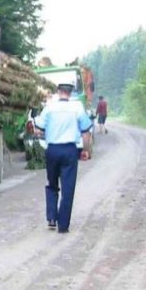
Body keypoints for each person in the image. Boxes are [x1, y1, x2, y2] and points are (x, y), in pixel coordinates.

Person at [34, 83, 92, 234]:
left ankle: (52, 218)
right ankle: (63, 225)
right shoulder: (78, 108)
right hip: (70, 150)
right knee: (68, 188)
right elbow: (86, 132)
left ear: (58, 92)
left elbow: (38, 129)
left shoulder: (49, 107)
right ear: (71, 92)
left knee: (52, 184)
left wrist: (44, 134)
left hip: (52, 150)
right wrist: (85, 150)